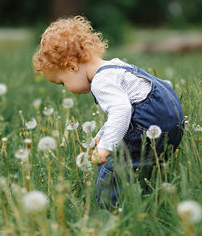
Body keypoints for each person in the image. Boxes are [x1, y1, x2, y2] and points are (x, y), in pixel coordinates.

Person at [32, 16, 184, 207]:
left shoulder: (101, 81)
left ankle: (109, 212)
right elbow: (124, 112)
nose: (65, 88)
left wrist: (104, 148)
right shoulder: (116, 65)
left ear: (72, 66)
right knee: (142, 166)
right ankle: (147, 199)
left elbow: (122, 110)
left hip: (149, 125)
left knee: (112, 172)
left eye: (62, 82)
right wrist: (101, 136)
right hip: (171, 121)